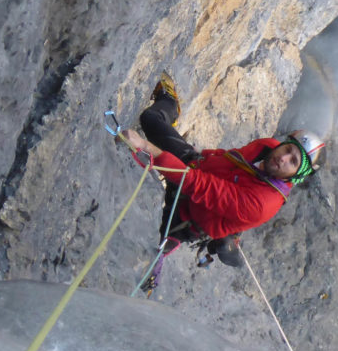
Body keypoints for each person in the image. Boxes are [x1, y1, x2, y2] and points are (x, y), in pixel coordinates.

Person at [120, 73, 324, 291]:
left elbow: (199, 186)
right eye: (288, 149)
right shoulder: (267, 147)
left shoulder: (261, 203)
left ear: (295, 175)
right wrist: (201, 153)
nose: (283, 158)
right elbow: (229, 157)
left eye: (292, 161)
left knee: (142, 262)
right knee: (151, 120)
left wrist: (147, 147)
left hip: (188, 215)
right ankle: (170, 103)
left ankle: (153, 274)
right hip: (196, 165)